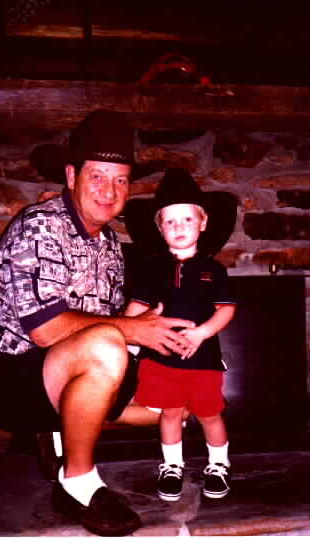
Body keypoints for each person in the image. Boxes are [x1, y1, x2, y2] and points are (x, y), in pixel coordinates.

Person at [0, 110, 197, 537]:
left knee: (176, 399)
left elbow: (109, 322)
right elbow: (47, 330)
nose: (110, 192)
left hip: (71, 368)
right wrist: (129, 332)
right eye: (98, 176)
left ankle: (60, 432)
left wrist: (158, 344)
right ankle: (78, 481)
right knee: (108, 346)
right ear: (72, 176)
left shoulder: (110, 241)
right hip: (9, 379)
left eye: (122, 180)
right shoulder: (40, 226)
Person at [124, 167, 237, 503]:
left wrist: (202, 333)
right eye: (170, 221)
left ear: (202, 223)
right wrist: (129, 342)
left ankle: (219, 464)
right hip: (160, 361)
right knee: (169, 413)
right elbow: (136, 308)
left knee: (209, 414)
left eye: (187, 219)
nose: (179, 227)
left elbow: (226, 309)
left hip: (202, 360)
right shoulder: (151, 269)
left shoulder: (213, 270)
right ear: (160, 229)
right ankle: (172, 465)